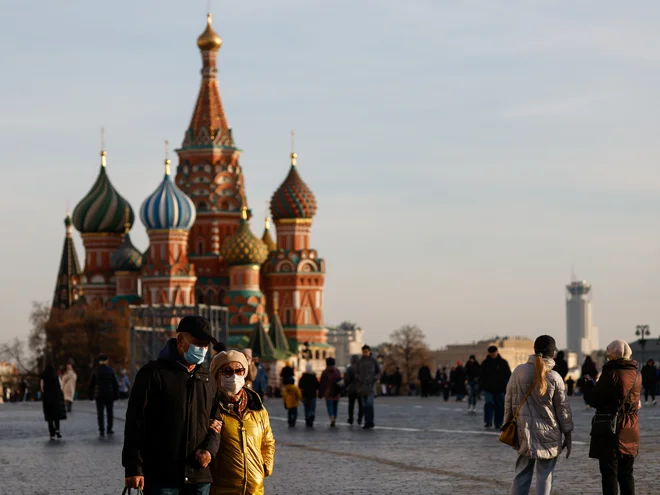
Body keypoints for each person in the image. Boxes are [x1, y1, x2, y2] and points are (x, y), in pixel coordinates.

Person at [123, 316, 221, 494]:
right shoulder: (153, 373)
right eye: (197, 343)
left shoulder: (207, 379)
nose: (202, 349)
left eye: (206, 345)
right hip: (162, 476)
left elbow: (216, 421)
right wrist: (133, 467)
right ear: (181, 340)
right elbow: (135, 422)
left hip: (198, 476)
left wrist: (209, 450)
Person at [505, 335, 573, 495]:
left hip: (524, 432)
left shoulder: (519, 371)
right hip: (549, 434)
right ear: (552, 353)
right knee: (545, 475)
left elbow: (509, 401)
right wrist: (568, 434)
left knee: (521, 473)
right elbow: (563, 410)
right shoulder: (555, 377)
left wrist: (507, 423)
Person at [209, 350, 275, 495]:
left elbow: (268, 442)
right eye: (227, 371)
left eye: (239, 371)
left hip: (255, 489)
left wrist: (265, 467)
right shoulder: (210, 407)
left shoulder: (256, 407)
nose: (234, 376)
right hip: (223, 489)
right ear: (216, 375)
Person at [587, 340, 641, 495]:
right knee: (627, 475)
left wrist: (589, 386)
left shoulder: (610, 374)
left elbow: (595, 399)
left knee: (610, 475)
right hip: (631, 428)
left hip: (612, 430)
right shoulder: (637, 374)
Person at [481, 345, 511, 429]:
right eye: (491, 353)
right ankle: (488, 422)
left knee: (500, 406)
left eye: (494, 353)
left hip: (500, 388)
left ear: (497, 352)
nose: (493, 354)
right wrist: (482, 386)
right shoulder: (485, 363)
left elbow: (508, 374)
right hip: (488, 389)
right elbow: (481, 375)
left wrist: (507, 385)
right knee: (489, 404)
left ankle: (498, 423)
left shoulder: (503, 362)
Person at [89, 354, 119, 437]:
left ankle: (101, 430)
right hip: (109, 394)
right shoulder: (110, 370)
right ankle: (109, 429)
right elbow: (115, 383)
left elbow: (91, 384)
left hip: (99, 395)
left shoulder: (95, 370)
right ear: (106, 361)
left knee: (100, 413)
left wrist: (91, 395)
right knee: (110, 412)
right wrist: (116, 395)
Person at [356, 345, 380, 429]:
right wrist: (359, 378)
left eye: (366, 352)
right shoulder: (359, 361)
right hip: (362, 387)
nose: (365, 353)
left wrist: (374, 378)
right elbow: (356, 372)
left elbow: (379, 371)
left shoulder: (374, 361)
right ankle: (366, 422)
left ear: (369, 352)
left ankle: (371, 422)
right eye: (363, 352)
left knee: (370, 404)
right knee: (364, 406)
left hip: (371, 387)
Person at [40, 364, 67, 440]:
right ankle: (57, 430)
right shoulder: (56, 376)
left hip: (47, 399)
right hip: (56, 398)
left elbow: (42, 388)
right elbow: (61, 386)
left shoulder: (43, 377)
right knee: (56, 416)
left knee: (49, 417)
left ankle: (51, 433)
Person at [319, 357, 342, 427]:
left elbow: (322, 384)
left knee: (330, 406)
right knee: (335, 406)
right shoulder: (337, 371)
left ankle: (331, 417)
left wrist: (321, 393)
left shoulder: (325, 372)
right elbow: (340, 381)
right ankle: (334, 417)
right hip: (336, 392)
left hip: (328, 392)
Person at [343, 355, 363, 425]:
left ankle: (350, 419)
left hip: (351, 389)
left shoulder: (349, 368)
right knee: (361, 405)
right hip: (360, 389)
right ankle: (360, 419)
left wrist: (345, 387)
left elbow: (347, 380)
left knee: (351, 405)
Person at [299, 363, 319, 427]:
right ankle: (311, 417)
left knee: (306, 408)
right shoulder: (314, 377)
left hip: (305, 395)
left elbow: (300, 385)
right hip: (312, 395)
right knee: (312, 408)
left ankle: (307, 419)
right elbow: (317, 386)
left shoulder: (303, 377)